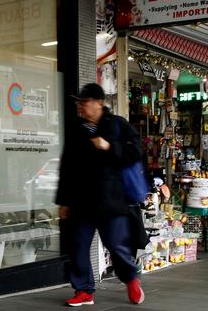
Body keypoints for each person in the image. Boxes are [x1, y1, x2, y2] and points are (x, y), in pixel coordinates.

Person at [56, 83, 144, 307]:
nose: (80, 107)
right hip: (80, 201)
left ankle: (131, 278)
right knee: (77, 246)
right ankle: (84, 290)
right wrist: (63, 201)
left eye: (84, 103)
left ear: (99, 103)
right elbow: (66, 165)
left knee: (116, 246)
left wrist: (109, 146)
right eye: (79, 103)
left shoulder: (117, 125)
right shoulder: (76, 128)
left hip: (111, 200)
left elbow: (135, 151)